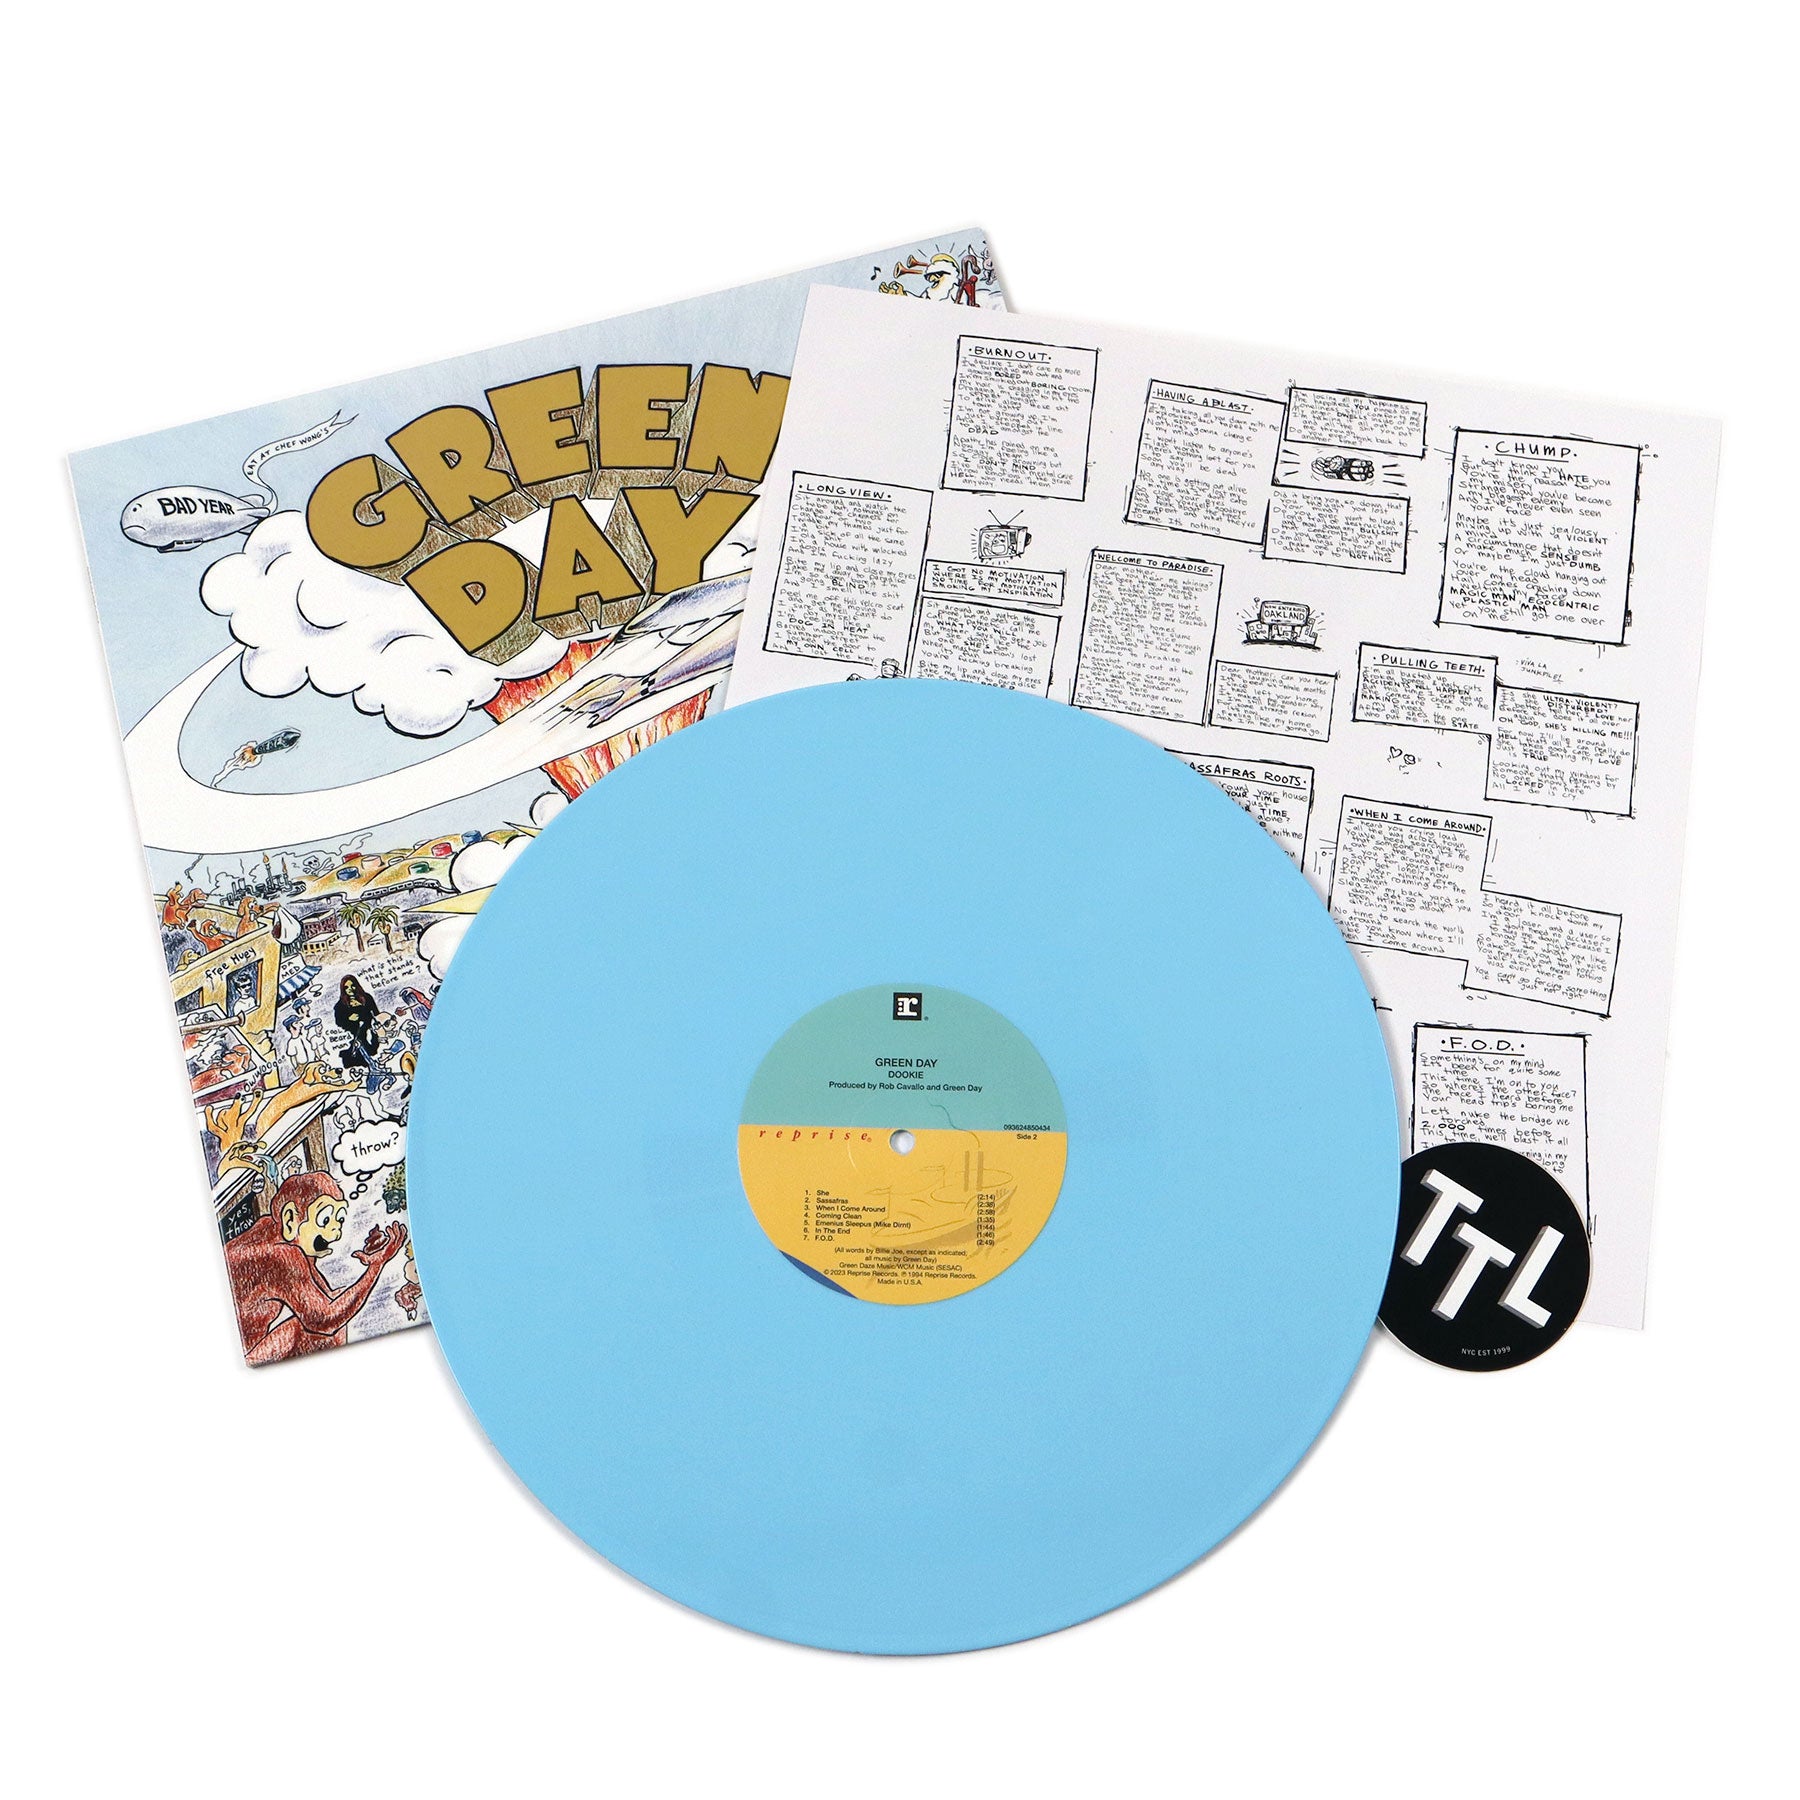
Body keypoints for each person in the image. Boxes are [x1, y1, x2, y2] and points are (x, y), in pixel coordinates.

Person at [223, 1171, 407, 1362]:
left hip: (241, 1351)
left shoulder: (276, 1230)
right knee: (319, 1332)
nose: (336, 1231)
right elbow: (324, 1321)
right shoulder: (280, 1254)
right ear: (290, 1219)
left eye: (339, 1219)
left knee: (339, 1306)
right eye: (325, 1220)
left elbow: (326, 1298)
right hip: (240, 1357)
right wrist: (375, 1267)